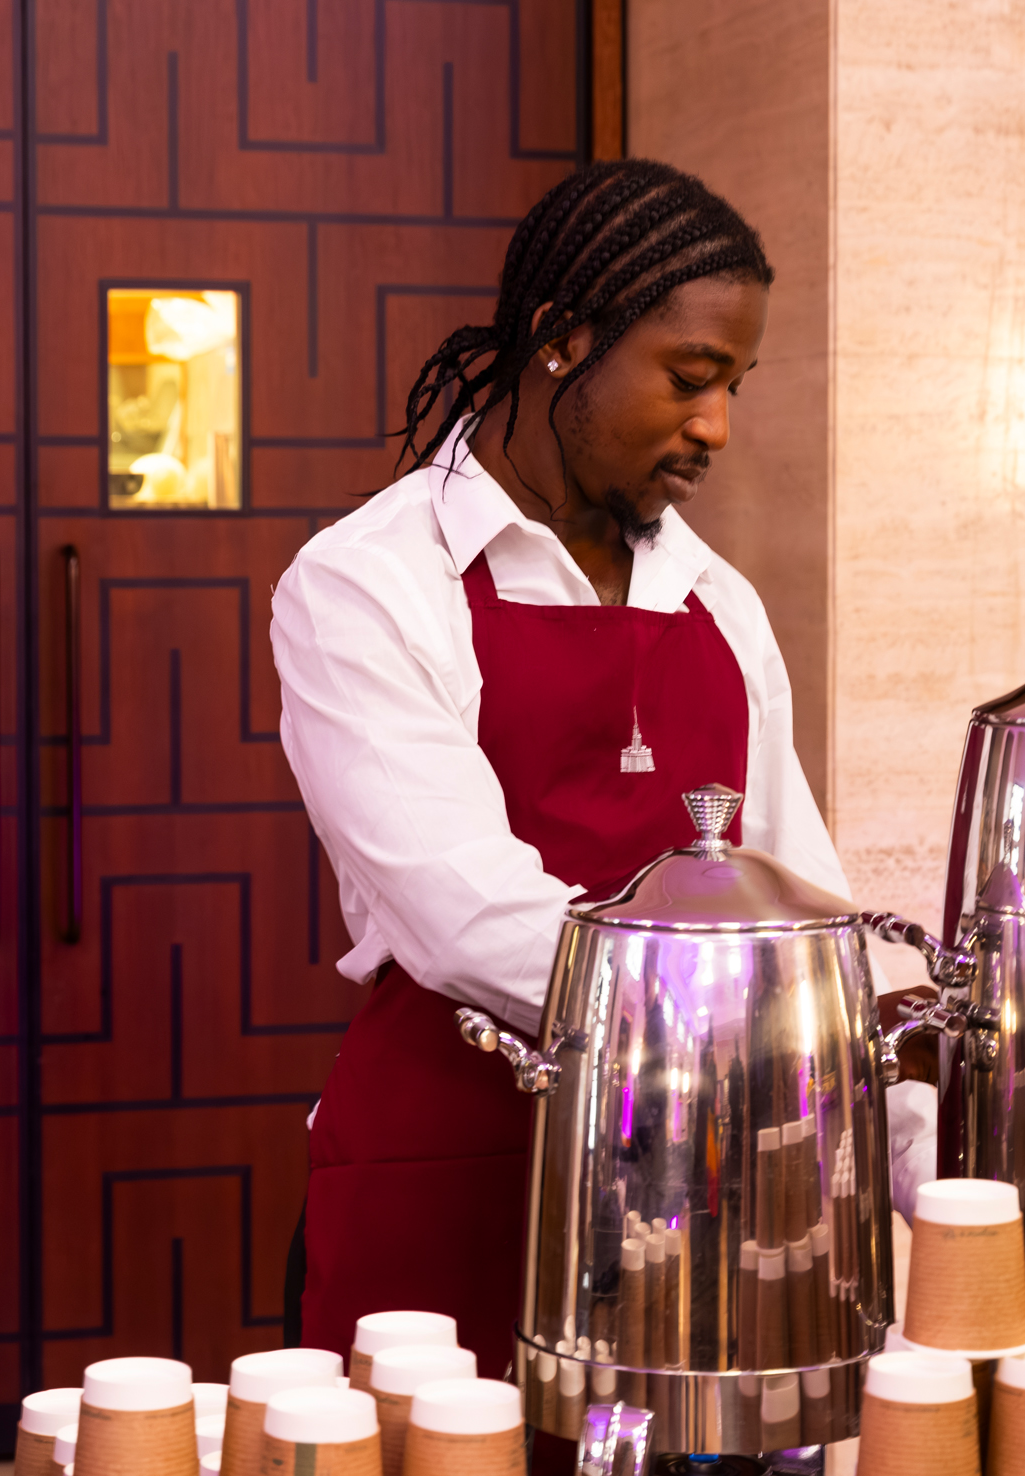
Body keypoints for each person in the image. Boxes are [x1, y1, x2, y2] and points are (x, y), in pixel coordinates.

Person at [270, 161, 849, 1378]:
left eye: (734, 385)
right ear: (557, 340)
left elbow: (804, 894)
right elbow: (466, 915)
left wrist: (900, 1126)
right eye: (690, 378)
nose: (716, 427)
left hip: (697, 1200)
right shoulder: (370, 581)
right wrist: (756, 1033)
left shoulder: (720, 604)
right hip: (456, 1186)